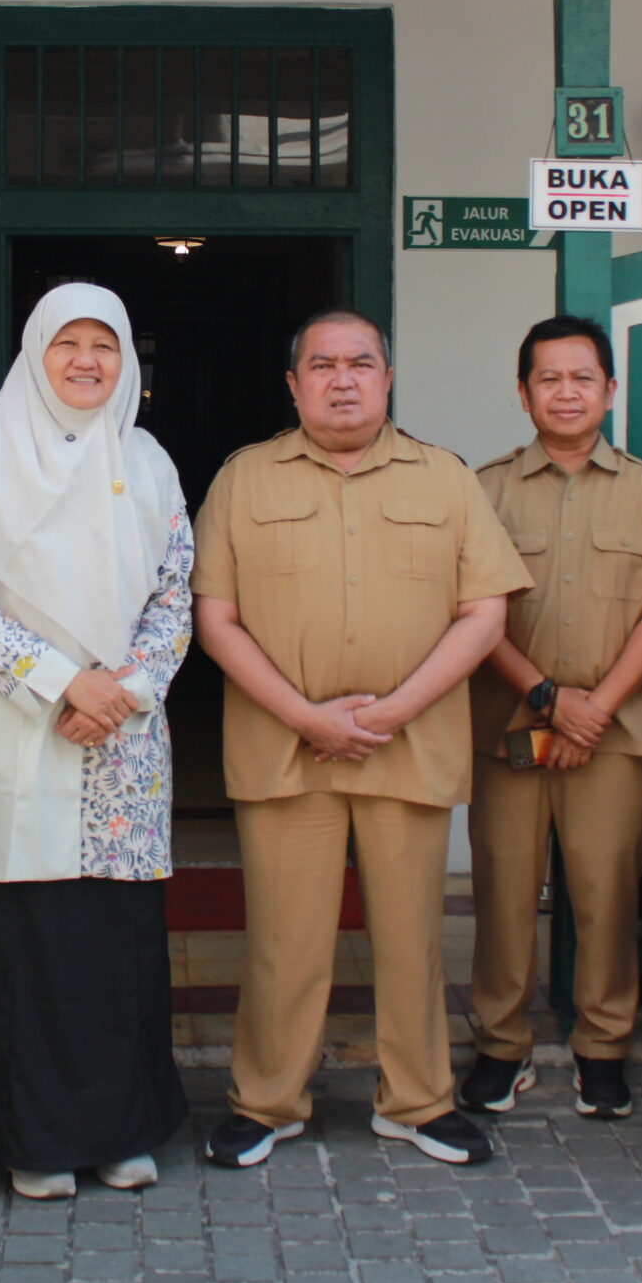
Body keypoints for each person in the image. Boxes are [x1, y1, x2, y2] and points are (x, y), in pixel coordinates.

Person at [191, 310, 530, 1170]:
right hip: (284, 748)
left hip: (407, 747)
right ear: (293, 383)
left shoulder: (446, 479)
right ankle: (267, 1100)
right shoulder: (244, 478)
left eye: (362, 363)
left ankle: (417, 1099)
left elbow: (485, 611)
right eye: (323, 364)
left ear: (388, 378)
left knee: (413, 935)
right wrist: (307, 716)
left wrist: (393, 711)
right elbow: (214, 617)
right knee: (282, 938)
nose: (343, 379)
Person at [0, 284, 193, 1200]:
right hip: (14, 732)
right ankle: (26, 1135)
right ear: (35, 352)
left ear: (126, 361)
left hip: (121, 737)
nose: (84, 361)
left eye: (102, 345)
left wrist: (124, 690)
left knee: (109, 945)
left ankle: (119, 1129)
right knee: (17, 939)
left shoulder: (148, 464)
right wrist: (62, 682)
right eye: (66, 342)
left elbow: (175, 594)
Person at [461, 317, 642, 1122]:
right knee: (501, 892)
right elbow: (473, 610)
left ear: (609, 389)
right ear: (523, 390)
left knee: (603, 894)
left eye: (582, 378)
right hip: (511, 727)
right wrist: (547, 698)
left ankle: (604, 1049)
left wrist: (592, 708)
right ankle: (500, 1046)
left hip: (612, 732)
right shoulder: (486, 487)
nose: (566, 393)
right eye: (549, 379)